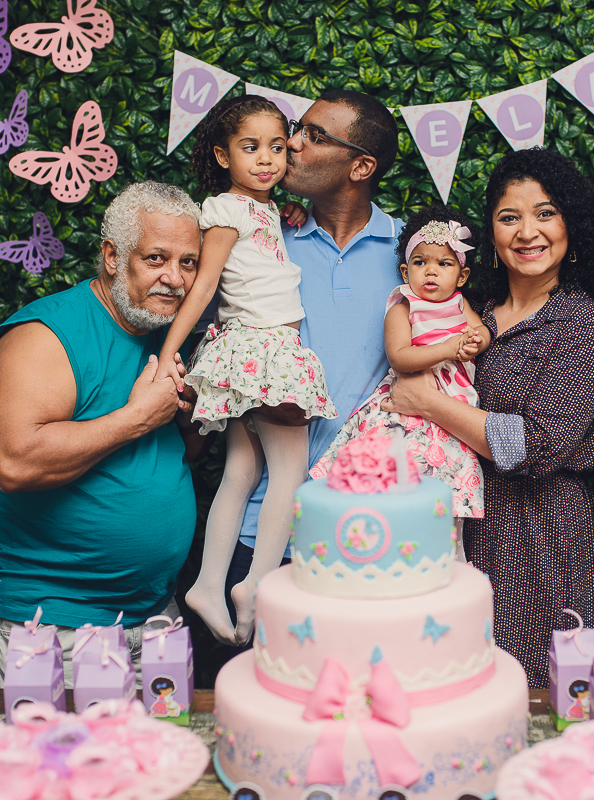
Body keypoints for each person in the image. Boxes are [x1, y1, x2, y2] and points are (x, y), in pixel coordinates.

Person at [381, 148, 594, 688]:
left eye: (545, 213)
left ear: (570, 223)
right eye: (510, 217)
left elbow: (535, 445)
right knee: (451, 682)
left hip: (542, 538)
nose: (527, 231)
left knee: (537, 693)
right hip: (458, 525)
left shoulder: (581, 324)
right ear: (489, 232)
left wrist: (432, 404)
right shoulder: (475, 314)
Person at [0, 181, 201, 688]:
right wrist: (137, 416)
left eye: (188, 262)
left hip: (153, 616)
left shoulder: (167, 334)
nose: (174, 278)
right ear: (113, 256)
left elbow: (171, 458)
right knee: (49, 766)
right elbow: (15, 465)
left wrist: (183, 419)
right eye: (156, 258)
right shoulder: (45, 336)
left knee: (158, 761)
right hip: (48, 624)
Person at [222, 90, 403, 644]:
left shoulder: (408, 251)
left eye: (315, 136)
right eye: (299, 128)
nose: (291, 143)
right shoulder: (260, 238)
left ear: (361, 166)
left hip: (369, 529)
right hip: (257, 535)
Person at [158, 95, 337, 646]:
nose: (266, 159)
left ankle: (210, 582)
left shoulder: (261, 210)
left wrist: (287, 217)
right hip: (263, 349)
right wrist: (170, 351)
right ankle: (255, 583)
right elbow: (206, 284)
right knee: (291, 471)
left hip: (252, 352)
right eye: (250, 147)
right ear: (221, 153)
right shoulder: (228, 210)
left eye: (277, 148)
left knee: (241, 469)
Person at [310, 205, 489, 527]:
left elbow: (481, 332)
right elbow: (400, 358)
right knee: (392, 473)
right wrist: (447, 348)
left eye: (444, 264)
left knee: (442, 474)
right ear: (406, 272)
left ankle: (433, 533)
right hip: (406, 400)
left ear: (462, 276)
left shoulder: (461, 305)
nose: (430, 271)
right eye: (420, 263)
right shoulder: (404, 306)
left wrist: (478, 341)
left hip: (452, 402)